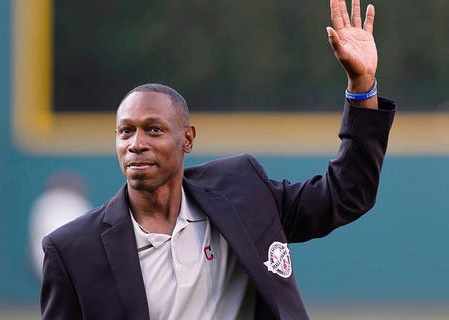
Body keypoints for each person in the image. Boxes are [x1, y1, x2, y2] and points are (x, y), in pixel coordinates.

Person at [40, 0, 395, 319]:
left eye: (154, 130)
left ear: (188, 139)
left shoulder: (243, 194)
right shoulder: (74, 250)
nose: (137, 143)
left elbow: (346, 194)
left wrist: (362, 85)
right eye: (125, 131)